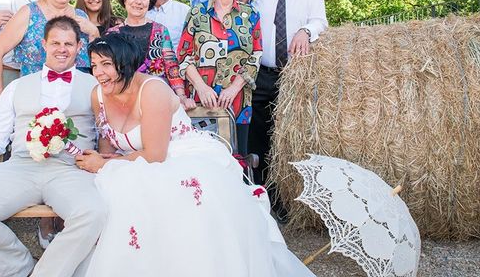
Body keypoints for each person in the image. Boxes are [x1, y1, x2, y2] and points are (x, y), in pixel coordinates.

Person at [74, 33, 315, 277]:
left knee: (178, 201)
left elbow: (155, 155)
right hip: (134, 162)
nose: (98, 72)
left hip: (177, 157)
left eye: (106, 64)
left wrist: (104, 165)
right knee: (110, 192)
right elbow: (107, 147)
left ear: (125, 64)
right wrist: (102, 164)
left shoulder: (152, 90)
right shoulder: (98, 94)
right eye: (94, 65)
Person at [0, 17, 104, 277]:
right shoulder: (17, 87)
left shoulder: (96, 87)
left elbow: (108, 134)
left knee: (94, 213)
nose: (61, 48)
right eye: (55, 42)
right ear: (44, 44)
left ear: (79, 47)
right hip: (21, 168)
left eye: (68, 43)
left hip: (72, 170)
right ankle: (19, 269)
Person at [248, 0, 328, 220]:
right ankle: (260, 196)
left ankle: (288, 201)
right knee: (258, 135)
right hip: (264, 73)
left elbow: (320, 20)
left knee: (287, 139)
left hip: (295, 76)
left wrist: (306, 31)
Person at [177, 0, 262, 155]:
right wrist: (201, 87)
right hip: (199, 101)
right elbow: (183, 55)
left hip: (237, 101)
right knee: (199, 156)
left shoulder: (250, 15)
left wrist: (233, 88)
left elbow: (256, 55)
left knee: (236, 158)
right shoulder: (197, 13)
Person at [0, 0, 91, 110]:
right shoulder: (28, 13)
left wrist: (94, 32)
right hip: (33, 100)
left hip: (75, 103)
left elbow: (95, 61)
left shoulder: (81, 16)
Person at [106, 0, 194, 110]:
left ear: (150, 2)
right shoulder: (112, 35)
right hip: (123, 104)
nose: (139, 1)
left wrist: (181, 96)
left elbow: (171, 66)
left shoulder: (160, 30)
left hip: (158, 101)